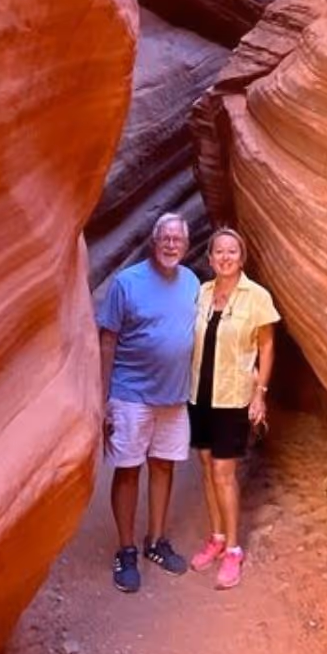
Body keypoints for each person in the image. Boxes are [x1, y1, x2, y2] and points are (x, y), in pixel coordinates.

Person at [96, 212, 199, 593]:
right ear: (154, 242)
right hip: (129, 395)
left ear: (186, 246)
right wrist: (103, 397)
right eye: (165, 238)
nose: (172, 244)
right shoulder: (127, 282)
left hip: (173, 397)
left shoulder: (191, 282)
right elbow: (108, 340)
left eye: (178, 239)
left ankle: (155, 541)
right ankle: (125, 549)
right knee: (127, 469)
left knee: (163, 467)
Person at [187, 227, 280, 589]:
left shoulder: (256, 296)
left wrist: (261, 393)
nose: (225, 258)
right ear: (209, 259)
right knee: (207, 465)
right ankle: (217, 537)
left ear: (242, 258)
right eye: (219, 252)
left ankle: (234, 550)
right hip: (200, 394)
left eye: (232, 252)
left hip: (233, 397)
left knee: (224, 471)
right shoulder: (201, 294)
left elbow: (267, 347)